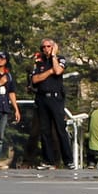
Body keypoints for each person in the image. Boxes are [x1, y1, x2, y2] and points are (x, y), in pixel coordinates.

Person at [28, 38, 70, 169]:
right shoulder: (39, 62)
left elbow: (58, 71)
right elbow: (35, 79)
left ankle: (68, 160)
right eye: (44, 47)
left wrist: (53, 56)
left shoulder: (60, 59)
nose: (46, 49)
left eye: (49, 46)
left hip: (56, 98)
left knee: (60, 130)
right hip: (42, 98)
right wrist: (49, 71)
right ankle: (48, 160)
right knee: (44, 131)